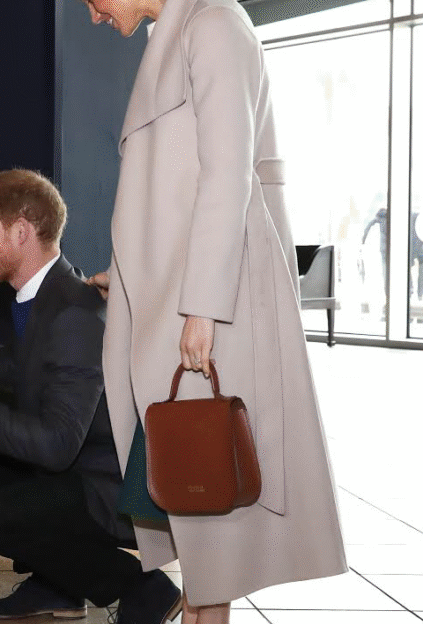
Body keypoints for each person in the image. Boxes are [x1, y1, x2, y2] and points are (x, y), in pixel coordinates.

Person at [81, 0, 348, 622]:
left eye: (91, 0)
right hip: (176, 300)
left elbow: (230, 175)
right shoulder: (178, 32)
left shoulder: (214, 24)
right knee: (197, 508)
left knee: (208, 493)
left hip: (207, 307)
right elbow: (177, 188)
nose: (93, 16)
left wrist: (202, 306)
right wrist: (126, 280)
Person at [0, 169, 181, 624]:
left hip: (107, 487)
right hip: (79, 465)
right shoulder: (51, 291)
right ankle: (57, 584)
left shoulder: (72, 316)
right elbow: (15, 368)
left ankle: (143, 588)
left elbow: (56, 448)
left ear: (21, 232)